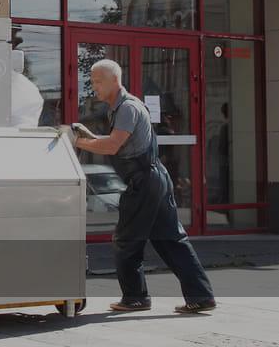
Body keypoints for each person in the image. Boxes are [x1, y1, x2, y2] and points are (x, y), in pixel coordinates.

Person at [72, 59, 216, 314]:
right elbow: (116, 142)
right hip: (153, 179)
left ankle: (135, 298)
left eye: (97, 81)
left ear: (114, 80)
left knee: (126, 240)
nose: (93, 86)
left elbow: (112, 146)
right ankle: (201, 296)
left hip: (144, 182)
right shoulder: (120, 108)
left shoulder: (127, 108)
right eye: (92, 81)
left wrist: (76, 141)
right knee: (171, 239)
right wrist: (90, 137)